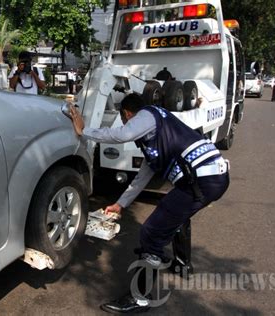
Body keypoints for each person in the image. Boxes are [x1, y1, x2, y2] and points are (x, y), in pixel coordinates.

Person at [69, 93, 230, 314]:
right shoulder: (156, 136)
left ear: (127, 114)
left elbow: (122, 135)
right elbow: (142, 176)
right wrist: (121, 204)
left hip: (201, 179)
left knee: (152, 233)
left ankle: (140, 299)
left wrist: (83, 131)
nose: (127, 124)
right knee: (175, 216)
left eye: (125, 119)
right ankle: (182, 265)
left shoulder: (148, 114)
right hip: (211, 176)